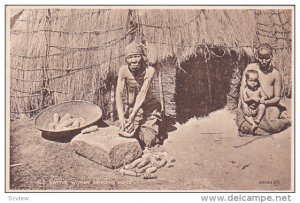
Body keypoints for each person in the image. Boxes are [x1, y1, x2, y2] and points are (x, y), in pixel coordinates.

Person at [115, 41, 162, 148]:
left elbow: (142, 94)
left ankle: (156, 128)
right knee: (126, 133)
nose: (134, 60)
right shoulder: (123, 71)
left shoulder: (149, 71)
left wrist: (132, 117)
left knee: (148, 140)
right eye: (130, 57)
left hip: (149, 108)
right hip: (131, 109)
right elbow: (118, 93)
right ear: (126, 59)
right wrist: (122, 117)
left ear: (142, 57)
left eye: (136, 56)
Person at [237, 43, 290, 136]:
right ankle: (257, 127)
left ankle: (286, 121)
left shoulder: (275, 74)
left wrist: (264, 103)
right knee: (243, 124)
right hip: (250, 105)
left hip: (269, 105)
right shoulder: (251, 68)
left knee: (271, 125)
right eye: (261, 58)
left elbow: (277, 98)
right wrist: (244, 105)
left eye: (267, 58)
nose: (264, 61)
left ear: (271, 57)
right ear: (257, 56)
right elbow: (243, 87)